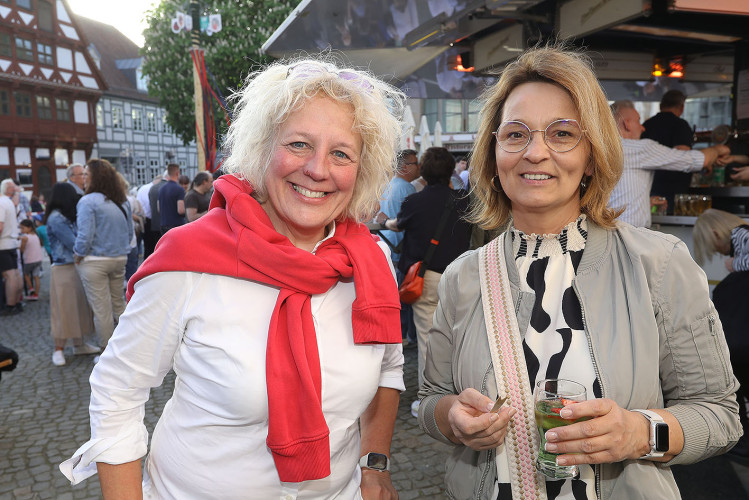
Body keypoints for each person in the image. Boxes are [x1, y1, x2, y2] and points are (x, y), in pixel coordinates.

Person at [61, 57, 407, 499]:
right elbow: (117, 391)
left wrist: (374, 464)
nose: (318, 169)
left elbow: (388, 369)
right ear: (262, 149)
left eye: (341, 153)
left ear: (360, 171)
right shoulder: (191, 259)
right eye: (299, 144)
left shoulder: (372, 260)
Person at [417, 45, 741, 500]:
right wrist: (451, 416)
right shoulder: (461, 277)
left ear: (591, 156)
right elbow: (428, 400)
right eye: (515, 134)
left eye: (562, 133)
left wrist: (638, 431)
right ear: (493, 155)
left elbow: (721, 414)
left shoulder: (659, 264)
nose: (536, 152)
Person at [381, 146, 472, 414]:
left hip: (427, 279)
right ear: (449, 171)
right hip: (460, 276)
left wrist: (384, 222)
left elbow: (398, 225)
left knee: (427, 339)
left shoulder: (415, 202)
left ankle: (428, 400)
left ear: (423, 170)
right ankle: (459, 392)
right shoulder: (465, 200)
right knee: (458, 336)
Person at [608, 99, 728, 227]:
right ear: (627, 124)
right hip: (627, 237)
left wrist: (644, 202)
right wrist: (718, 149)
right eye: (638, 121)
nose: (643, 128)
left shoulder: (603, 149)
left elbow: (614, 197)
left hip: (604, 234)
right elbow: (694, 161)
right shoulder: (638, 149)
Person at [693, 208, 749, 462]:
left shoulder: (742, 235)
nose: (718, 253)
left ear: (716, 233)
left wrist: (734, 264)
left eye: (713, 245)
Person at [74, 159, 133, 353]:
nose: (83, 178)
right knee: (119, 304)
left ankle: (106, 351)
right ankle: (132, 344)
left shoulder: (88, 201)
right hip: (119, 258)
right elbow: (130, 233)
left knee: (102, 310)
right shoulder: (122, 200)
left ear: (94, 178)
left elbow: (85, 234)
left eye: (86, 174)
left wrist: (78, 254)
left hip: (95, 261)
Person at [44, 182, 98, 366]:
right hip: (64, 267)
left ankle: (79, 343)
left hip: (74, 265)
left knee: (79, 307)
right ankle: (58, 349)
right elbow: (73, 241)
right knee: (63, 309)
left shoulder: (64, 216)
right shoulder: (56, 218)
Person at [644, 90, 694, 213]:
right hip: (674, 189)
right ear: (681, 107)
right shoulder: (681, 125)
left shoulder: (647, 124)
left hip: (649, 185)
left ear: (661, 106)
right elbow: (683, 155)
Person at [0, 178, 22, 315]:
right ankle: (17, 302)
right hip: (12, 242)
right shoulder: (9, 202)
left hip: (3, 244)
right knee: (15, 273)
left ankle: (10, 305)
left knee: (9, 275)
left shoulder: (1, 203)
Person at [158, 163, 186, 234]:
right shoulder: (179, 189)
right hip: (176, 226)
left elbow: (158, 209)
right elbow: (181, 210)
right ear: (177, 173)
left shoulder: (161, 189)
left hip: (163, 225)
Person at [19, 219, 43, 301]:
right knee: (36, 276)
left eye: (23, 228)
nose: (21, 230)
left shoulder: (25, 238)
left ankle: (31, 288)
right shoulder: (36, 236)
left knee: (26, 274)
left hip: (29, 260)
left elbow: (22, 249)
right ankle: (36, 294)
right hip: (38, 259)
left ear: (29, 228)